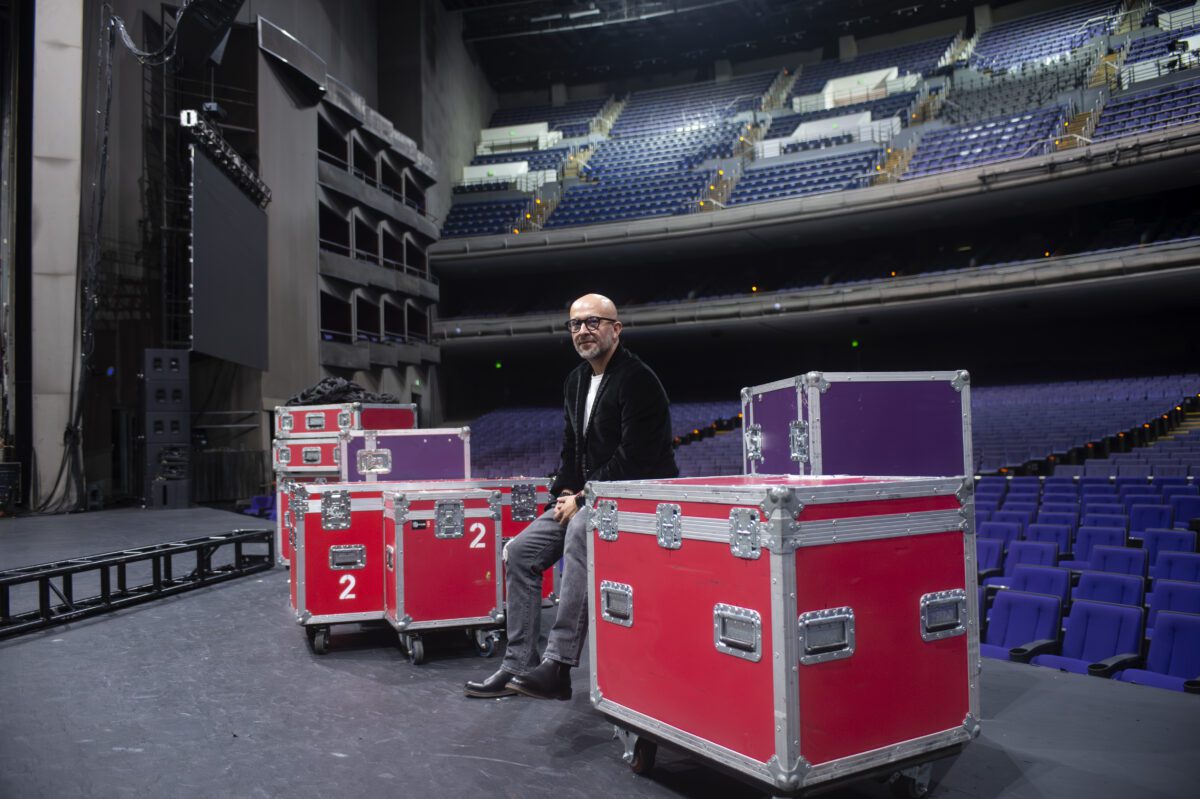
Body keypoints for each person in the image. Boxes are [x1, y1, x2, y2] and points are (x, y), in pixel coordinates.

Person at [465, 293, 678, 700]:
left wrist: (581, 498)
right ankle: (517, 667)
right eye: (576, 324)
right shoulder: (576, 380)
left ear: (616, 329)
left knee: (580, 528)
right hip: (587, 493)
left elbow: (637, 457)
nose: (583, 331)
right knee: (522, 551)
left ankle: (557, 667)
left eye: (594, 322)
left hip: (635, 495)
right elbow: (572, 450)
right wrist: (565, 489)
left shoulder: (639, 380)